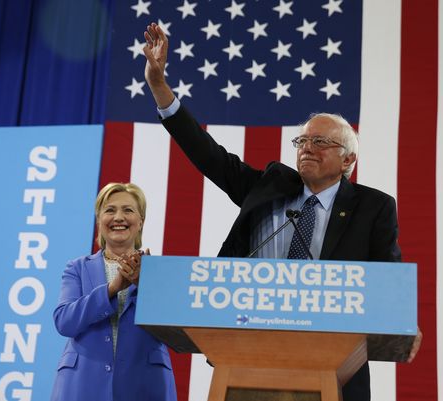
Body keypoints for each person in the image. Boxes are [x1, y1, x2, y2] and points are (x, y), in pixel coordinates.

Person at [142, 23, 422, 401]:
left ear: (348, 160)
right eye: (302, 140)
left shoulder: (373, 208)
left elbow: (385, 276)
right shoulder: (270, 187)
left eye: (320, 141)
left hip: (333, 367)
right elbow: (209, 155)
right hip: (247, 355)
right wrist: (161, 89)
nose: (307, 147)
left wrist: (401, 318)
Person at [50, 182, 177, 401]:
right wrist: (112, 288)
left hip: (145, 385)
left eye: (128, 210)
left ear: (140, 222)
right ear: (99, 221)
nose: (119, 217)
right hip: (83, 385)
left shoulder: (159, 271)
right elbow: (64, 322)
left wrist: (145, 285)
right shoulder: (77, 268)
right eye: (110, 210)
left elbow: (175, 332)